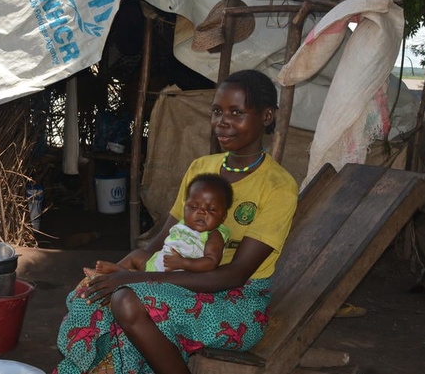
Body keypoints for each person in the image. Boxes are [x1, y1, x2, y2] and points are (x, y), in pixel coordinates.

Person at [54, 69, 299, 374]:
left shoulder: (277, 185)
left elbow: (234, 275)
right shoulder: (201, 169)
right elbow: (164, 243)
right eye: (217, 111)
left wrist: (134, 279)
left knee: (127, 300)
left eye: (237, 112)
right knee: (90, 293)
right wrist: (126, 267)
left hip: (235, 302)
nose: (222, 121)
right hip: (176, 280)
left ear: (266, 117)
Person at [93, 173, 232, 276]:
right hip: (158, 264)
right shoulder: (182, 224)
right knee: (137, 254)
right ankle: (110, 273)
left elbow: (211, 261)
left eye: (211, 209)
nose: (201, 213)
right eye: (194, 207)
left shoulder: (214, 235)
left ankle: (123, 274)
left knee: (144, 271)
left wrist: (183, 263)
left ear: (223, 216)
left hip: (181, 275)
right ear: (184, 207)